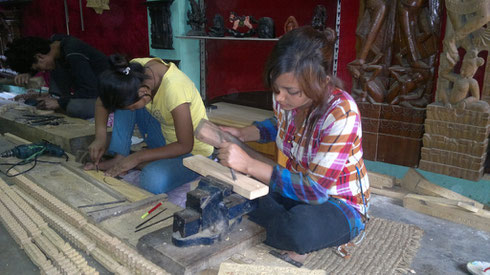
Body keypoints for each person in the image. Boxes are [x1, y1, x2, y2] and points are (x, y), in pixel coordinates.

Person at [217, 26, 370, 264]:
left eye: (291, 91)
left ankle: (301, 232)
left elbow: (315, 191)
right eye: (276, 88)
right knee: (239, 195)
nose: (279, 98)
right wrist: (241, 133)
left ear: (322, 81)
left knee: (299, 228)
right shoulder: (285, 99)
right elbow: (277, 125)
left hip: (339, 202)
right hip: (296, 185)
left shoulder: (342, 113)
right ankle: (280, 225)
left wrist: (248, 165)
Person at [84, 54, 213, 194]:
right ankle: (120, 158)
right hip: (165, 136)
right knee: (123, 101)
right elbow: (102, 101)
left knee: (151, 180)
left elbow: (185, 145)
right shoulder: (134, 72)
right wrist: (100, 137)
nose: (132, 111)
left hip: (192, 153)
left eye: (134, 107)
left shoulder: (175, 89)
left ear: (144, 91)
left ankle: (138, 162)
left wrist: (138, 156)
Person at [4, 34, 109, 119]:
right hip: (94, 93)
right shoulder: (55, 44)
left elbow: (90, 91)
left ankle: (58, 102)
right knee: (35, 101)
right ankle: (56, 99)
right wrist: (28, 73)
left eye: (38, 69)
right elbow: (35, 56)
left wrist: (60, 103)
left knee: (74, 107)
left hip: (109, 97)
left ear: (39, 56)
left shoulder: (73, 53)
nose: (42, 71)